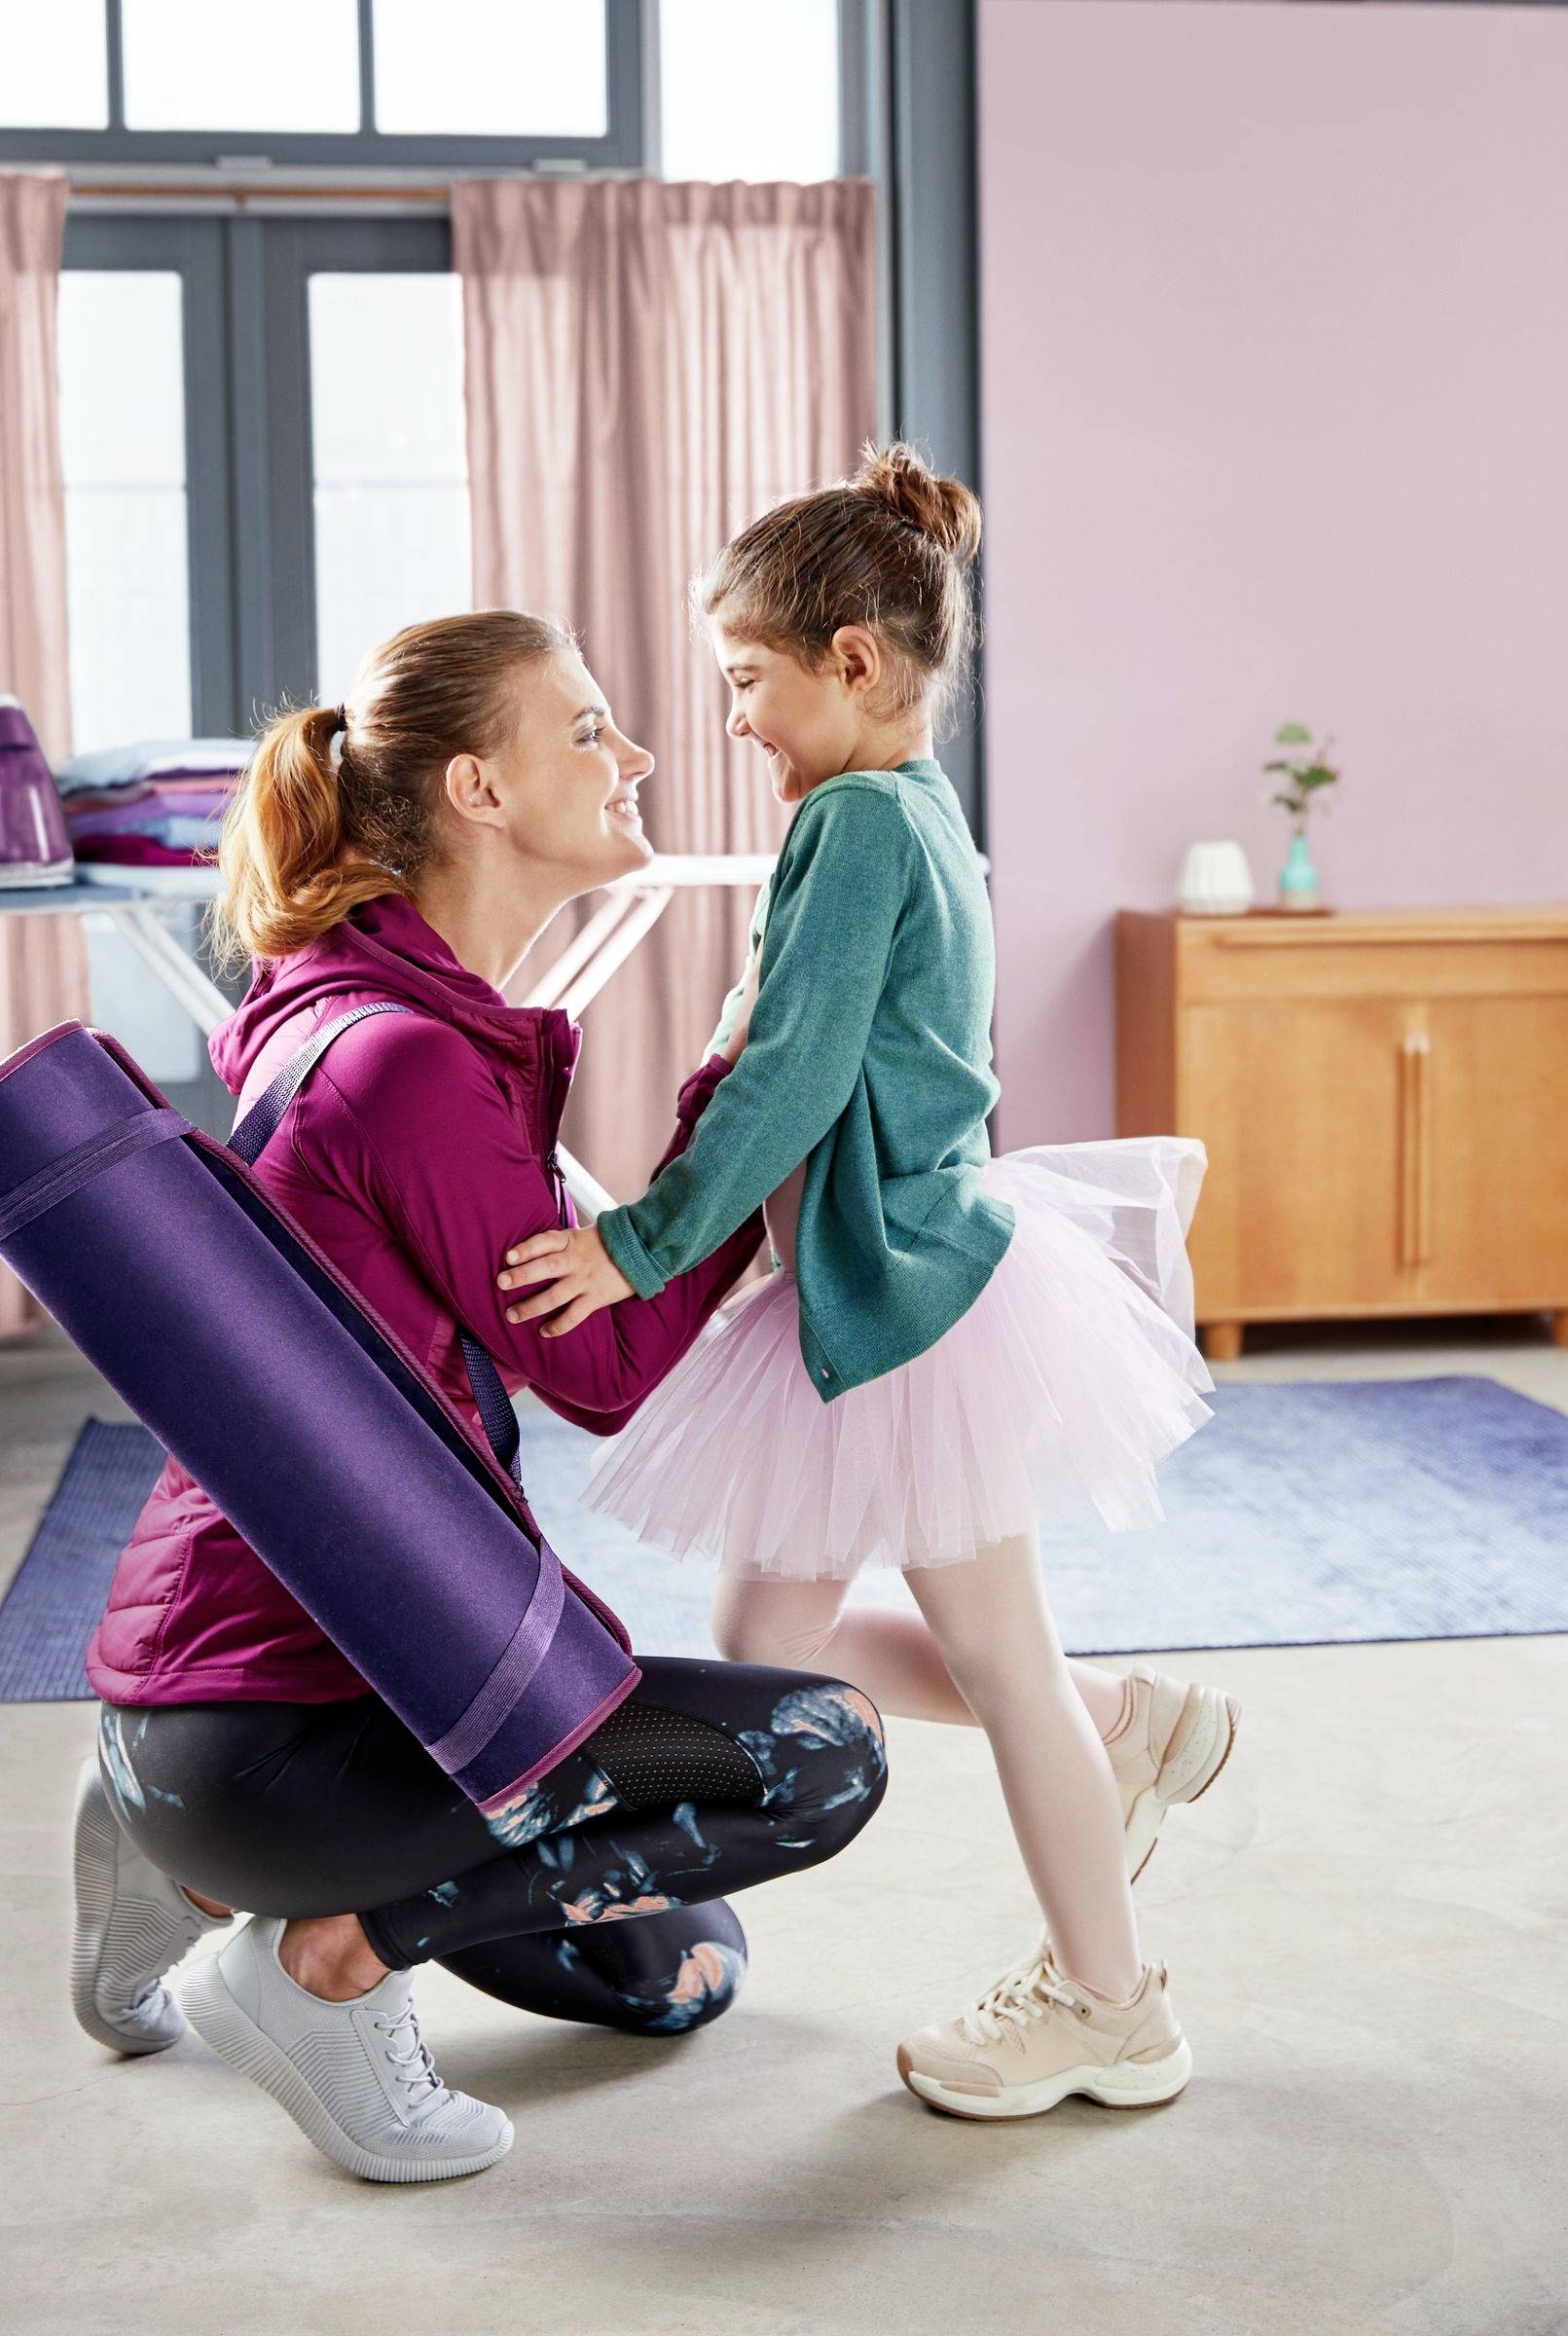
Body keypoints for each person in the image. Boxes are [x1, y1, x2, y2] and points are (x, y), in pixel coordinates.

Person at [69, 609, 889, 2183]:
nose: (634, 754)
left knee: (677, 1967)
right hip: (291, 1734)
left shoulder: (348, 1008)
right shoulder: (407, 1065)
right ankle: (323, 1962)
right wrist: (750, 1111)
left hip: (222, 1720)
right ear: (480, 791)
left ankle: (175, 1866)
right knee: (818, 1752)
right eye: (586, 728)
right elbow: (606, 1375)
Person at [495, 447, 1239, 2123]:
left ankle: (1112, 2005)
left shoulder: (852, 822)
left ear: (849, 660)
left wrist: (638, 1243)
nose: (733, 720)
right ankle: (1124, 1724)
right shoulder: (910, 809)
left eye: (747, 680)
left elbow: (794, 1075)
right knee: (767, 1640)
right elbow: (798, 1038)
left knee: (1000, 1662)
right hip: (873, 1285)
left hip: (912, 1300)